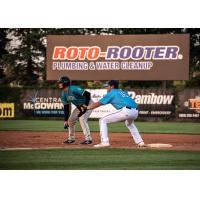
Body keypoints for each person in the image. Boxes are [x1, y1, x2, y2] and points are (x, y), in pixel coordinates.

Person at [87, 80, 146, 148]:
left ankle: (105, 142)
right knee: (129, 124)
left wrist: (87, 108)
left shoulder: (112, 92)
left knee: (102, 120)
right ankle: (140, 142)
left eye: (107, 86)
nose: (106, 88)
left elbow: (99, 103)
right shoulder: (122, 91)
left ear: (112, 86)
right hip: (135, 111)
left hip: (126, 110)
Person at [58, 76, 93, 144]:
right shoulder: (63, 94)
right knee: (70, 120)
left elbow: (88, 94)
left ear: (65, 83)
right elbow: (66, 107)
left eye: (60, 82)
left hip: (89, 103)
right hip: (80, 106)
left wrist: (85, 106)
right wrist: (65, 120)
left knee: (82, 118)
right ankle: (71, 139)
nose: (59, 84)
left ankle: (88, 139)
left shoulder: (74, 89)